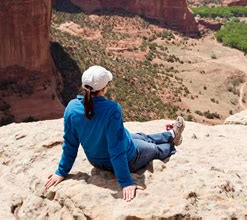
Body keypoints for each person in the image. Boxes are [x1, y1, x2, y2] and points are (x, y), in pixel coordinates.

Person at [44, 65, 185, 202]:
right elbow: (116, 149)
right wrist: (125, 181)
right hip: (128, 158)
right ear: (104, 88)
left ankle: (172, 135)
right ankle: (171, 144)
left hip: (96, 160)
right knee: (154, 149)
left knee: (141, 136)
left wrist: (61, 171)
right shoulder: (111, 109)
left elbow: (70, 144)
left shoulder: (71, 107)